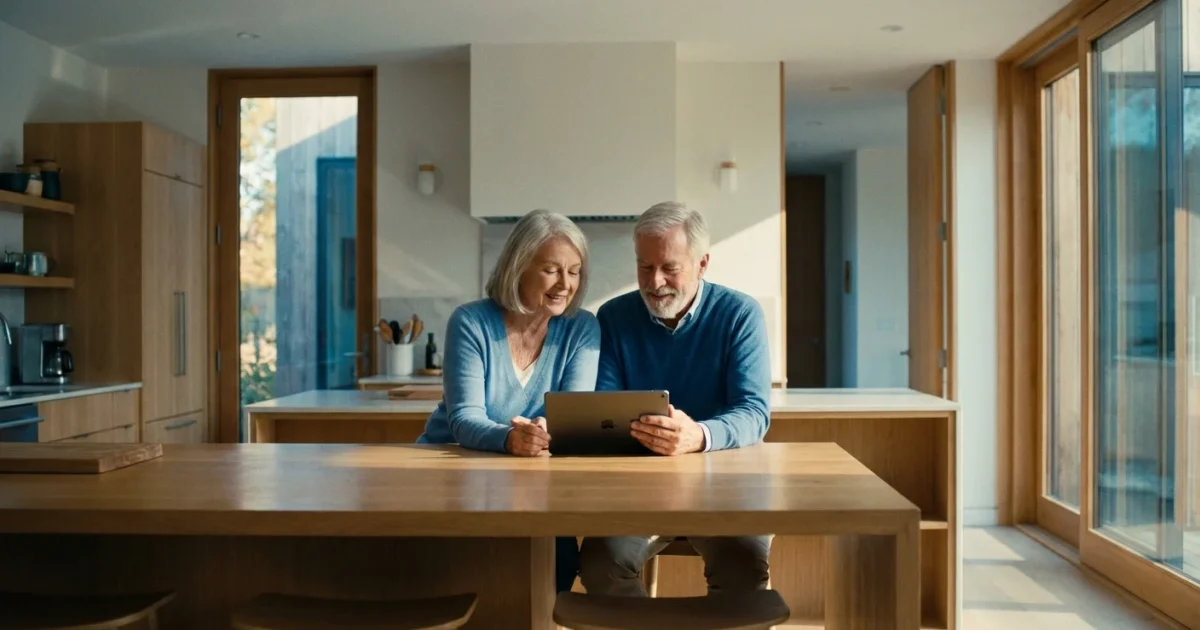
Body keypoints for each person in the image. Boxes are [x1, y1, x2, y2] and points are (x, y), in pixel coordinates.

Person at [578, 201, 772, 597]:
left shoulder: (740, 314)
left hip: (725, 483)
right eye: (644, 267)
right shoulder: (614, 317)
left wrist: (698, 435)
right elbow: (604, 407)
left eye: (670, 267)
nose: (655, 281)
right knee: (601, 566)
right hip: (638, 486)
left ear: (702, 264)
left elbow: (754, 412)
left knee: (743, 569)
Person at [416, 208, 600, 593]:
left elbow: (571, 414)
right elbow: (464, 418)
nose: (564, 284)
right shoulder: (470, 322)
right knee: (458, 573)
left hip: (534, 478)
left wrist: (550, 431)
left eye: (574, 270)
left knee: (559, 564)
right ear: (518, 266)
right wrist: (509, 439)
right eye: (551, 269)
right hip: (454, 472)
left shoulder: (582, 328)